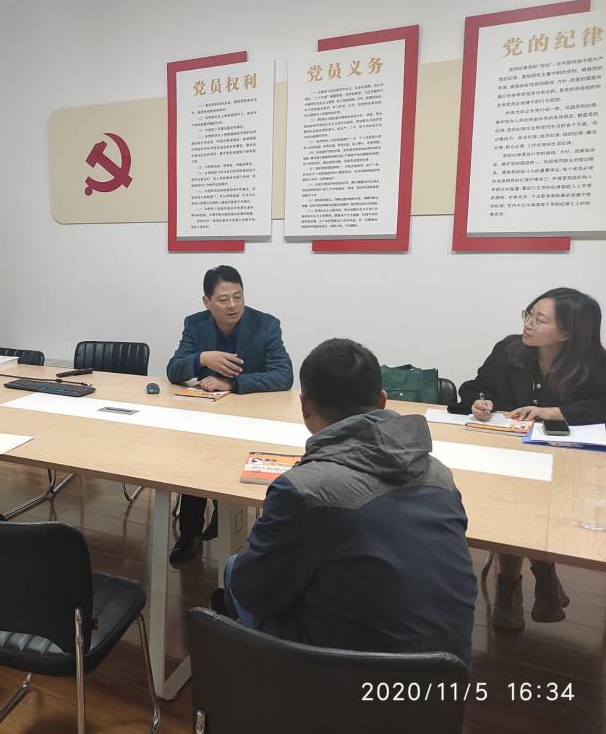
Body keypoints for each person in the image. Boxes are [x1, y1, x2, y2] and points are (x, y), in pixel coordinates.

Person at [224, 338, 477, 664]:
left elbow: (251, 590)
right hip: (447, 674)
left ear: (305, 406)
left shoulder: (304, 489)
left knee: (234, 571)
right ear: (382, 400)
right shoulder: (440, 475)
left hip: (347, 676)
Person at [454, 287, 606, 631]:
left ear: (567, 332)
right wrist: (481, 402)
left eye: (540, 319)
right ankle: (517, 585)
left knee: (540, 508)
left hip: (568, 459)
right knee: (510, 506)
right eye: (529, 314)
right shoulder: (509, 350)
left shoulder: (594, 364)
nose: (528, 324)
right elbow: (476, 386)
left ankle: (536, 574)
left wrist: (555, 411)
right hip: (510, 452)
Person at [166, 265, 293, 564]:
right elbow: (173, 370)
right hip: (205, 415)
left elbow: (283, 376)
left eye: (238, 297)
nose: (233, 305)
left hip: (251, 417)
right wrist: (201, 358)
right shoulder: (195, 324)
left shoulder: (266, 325)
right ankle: (190, 532)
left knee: (228, 461)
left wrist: (234, 383)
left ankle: (224, 519)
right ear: (207, 301)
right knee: (195, 457)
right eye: (223, 299)